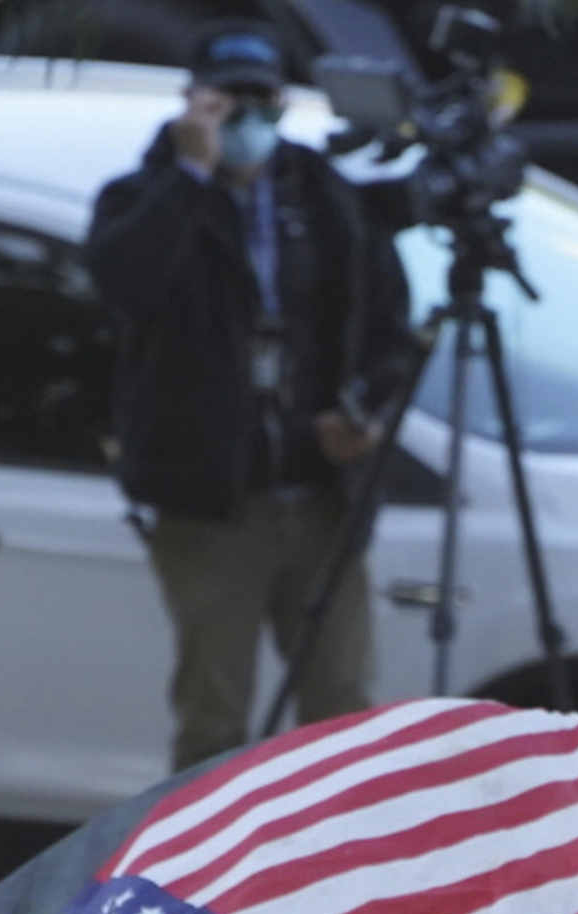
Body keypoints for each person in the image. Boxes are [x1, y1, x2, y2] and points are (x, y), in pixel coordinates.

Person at [83, 22, 415, 771]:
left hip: (319, 494)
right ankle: (209, 876)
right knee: (213, 721)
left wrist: (362, 410)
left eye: (262, 99)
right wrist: (190, 175)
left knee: (340, 711)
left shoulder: (321, 194)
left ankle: (334, 873)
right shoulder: (143, 196)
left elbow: (389, 326)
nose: (246, 117)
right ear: (193, 103)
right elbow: (125, 283)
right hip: (211, 507)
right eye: (227, 101)